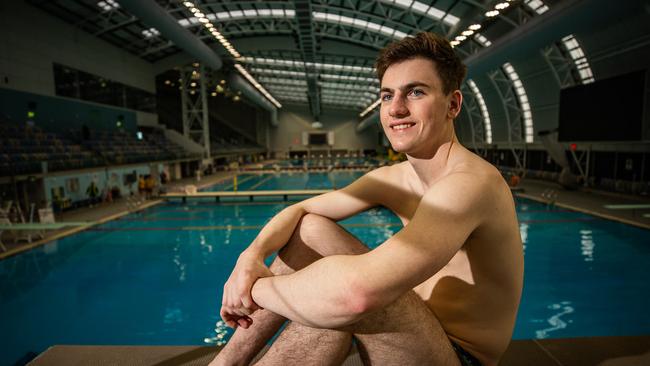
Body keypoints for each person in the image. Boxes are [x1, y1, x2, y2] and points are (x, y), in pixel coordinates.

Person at [210, 32, 523, 366]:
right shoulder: (393, 179)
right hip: (408, 330)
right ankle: (225, 363)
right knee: (310, 230)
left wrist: (252, 289)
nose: (397, 108)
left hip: (457, 355)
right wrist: (249, 258)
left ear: (453, 104)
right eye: (388, 96)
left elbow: (358, 296)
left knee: (340, 302)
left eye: (416, 92)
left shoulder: (469, 184)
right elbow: (299, 209)